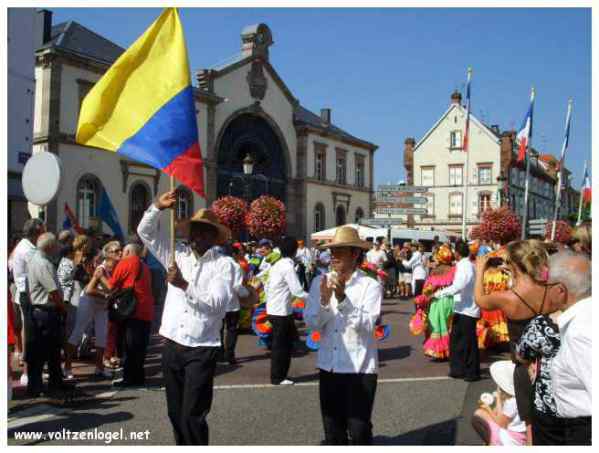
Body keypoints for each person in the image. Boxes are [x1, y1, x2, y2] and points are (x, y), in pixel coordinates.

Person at [137, 190, 234, 445]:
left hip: (201, 348)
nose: (197, 236)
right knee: (174, 412)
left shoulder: (223, 265)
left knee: (193, 415)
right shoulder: (176, 254)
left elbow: (215, 304)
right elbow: (144, 233)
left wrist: (184, 285)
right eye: (194, 230)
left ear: (214, 237)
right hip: (172, 343)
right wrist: (156, 207)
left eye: (204, 231)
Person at [474, 240, 561, 441]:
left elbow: (480, 300)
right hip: (550, 363)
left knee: (530, 427)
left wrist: (480, 270)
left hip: (523, 366)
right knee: (551, 425)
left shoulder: (508, 297)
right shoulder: (553, 290)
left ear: (513, 264)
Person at [305, 226, 382, 445]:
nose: (333, 257)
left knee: (359, 430)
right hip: (330, 365)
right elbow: (312, 324)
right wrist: (323, 301)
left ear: (355, 254)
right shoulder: (319, 283)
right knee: (333, 431)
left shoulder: (370, 286)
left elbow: (367, 325)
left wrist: (342, 299)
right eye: (332, 251)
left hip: (360, 368)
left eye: (340, 251)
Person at [539, 251, 591, 445]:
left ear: (560, 290)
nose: (544, 290)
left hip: (585, 431)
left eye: (546, 285)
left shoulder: (580, 332)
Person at [96, 243, 155, 387]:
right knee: (140, 348)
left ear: (129, 251)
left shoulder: (126, 262)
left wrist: (100, 276)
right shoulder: (144, 266)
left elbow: (110, 286)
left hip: (132, 310)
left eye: (122, 251)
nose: (120, 253)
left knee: (129, 347)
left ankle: (129, 379)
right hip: (146, 311)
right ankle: (138, 377)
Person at [67, 241, 121, 380]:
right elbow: (90, 290)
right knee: (78, 332)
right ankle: (67, 367)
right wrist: (107, 294)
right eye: (116, 251)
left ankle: (99, 368)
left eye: (120, 250)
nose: (119, 253)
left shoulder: (116, 268)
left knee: (102, 335)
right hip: (88, 302)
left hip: (102, 305)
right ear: (107, 254)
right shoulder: (101, 270)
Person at [26, 233, 67, 397]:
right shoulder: (42, 263)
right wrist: (62, 308)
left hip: (42, 311)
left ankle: (54, 383)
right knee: (45, 350)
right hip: (45, 312)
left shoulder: (39, 259)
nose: (58, 247)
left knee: (50, 350)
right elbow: (53, 291)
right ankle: (41, 386)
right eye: (56, 244)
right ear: (50, 247)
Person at [264, 236, 309, 385]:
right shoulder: (287, 266)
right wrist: (316, 298)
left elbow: (267, 285)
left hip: (276, 308)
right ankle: (278, 377)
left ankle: (279, 375)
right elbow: (297, 291)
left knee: (286, 342)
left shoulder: (277, 264)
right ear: (295, 251)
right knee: (281, 346)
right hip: (281, 311)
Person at [8, 218, 46, 386]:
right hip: (29, 295)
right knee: (29, 334)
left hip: (26, 293)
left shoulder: (23, 247)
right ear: (35, 233)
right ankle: (27, 373)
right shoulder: (27, 250)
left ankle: (29, 371)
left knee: (28, 332)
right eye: (42, 231)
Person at [435, 241, 480, 381]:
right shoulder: (466, 265)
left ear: (457, 253)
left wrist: (439, 294)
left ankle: (471, 372)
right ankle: (458, 369)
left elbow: (459, 285)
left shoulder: (465, 266)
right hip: (462, 308)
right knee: (457, 341)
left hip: (468, 309)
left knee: (468, 343)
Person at [413, 244, 456, 360]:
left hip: (437, 302)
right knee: (449, 326)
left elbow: (427, 290)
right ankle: (450, 350)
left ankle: (439, 351)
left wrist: (422, 300)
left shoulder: (435, 272)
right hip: (452, 301)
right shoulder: (455, 270)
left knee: (437, 326)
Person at [471, 360, 527, 446]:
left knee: (477, 417)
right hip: (519, 433)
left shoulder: (512, 402)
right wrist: (498, 397)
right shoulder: (519, 394)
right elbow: (499, 413)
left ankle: (493, 443)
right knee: (481, 413)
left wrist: (488, 408)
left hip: (512, 438)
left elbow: (501, 423)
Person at [219, 244, 249, 365]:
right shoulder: (235, 266)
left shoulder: (216, 264)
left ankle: (219, 355)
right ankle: (229, 356)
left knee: (218, 330)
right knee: (232, 330)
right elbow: (237, 286)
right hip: (231, 303)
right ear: (234, 254)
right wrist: (247, 294)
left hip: (218, 302)